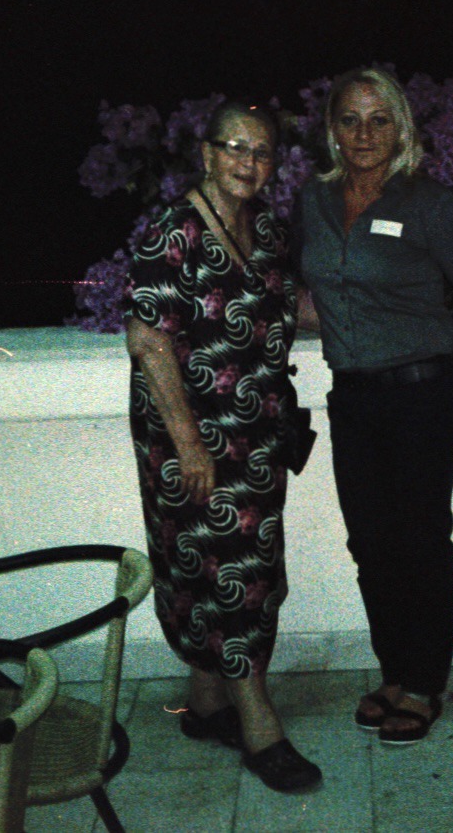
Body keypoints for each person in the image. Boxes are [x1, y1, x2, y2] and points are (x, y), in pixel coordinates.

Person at [295, 67, 453, 745]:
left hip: (422, 396)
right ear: (332, 128)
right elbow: (314, 286)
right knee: (370, 543)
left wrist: (441, 357)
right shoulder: (313, 203)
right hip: (352, 396)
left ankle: (423, 682)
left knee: (418, 540)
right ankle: (392, 670)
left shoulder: (428, 202)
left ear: (400, 128)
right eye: (350, 119)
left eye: (378, 119)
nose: (363, 133)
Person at [124, 100, 322, 793]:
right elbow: (148, 340)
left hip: (258, 434)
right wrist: (189, 447)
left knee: (245, 561)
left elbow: (285, 303)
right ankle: (257, 723)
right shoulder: (170, 233)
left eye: (261, 151)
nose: (248, 161)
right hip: (192, 439)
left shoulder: (264, 226)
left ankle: (207, 700)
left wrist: (390, 300)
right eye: (234, 147)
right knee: (223, 569)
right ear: (205, 154)